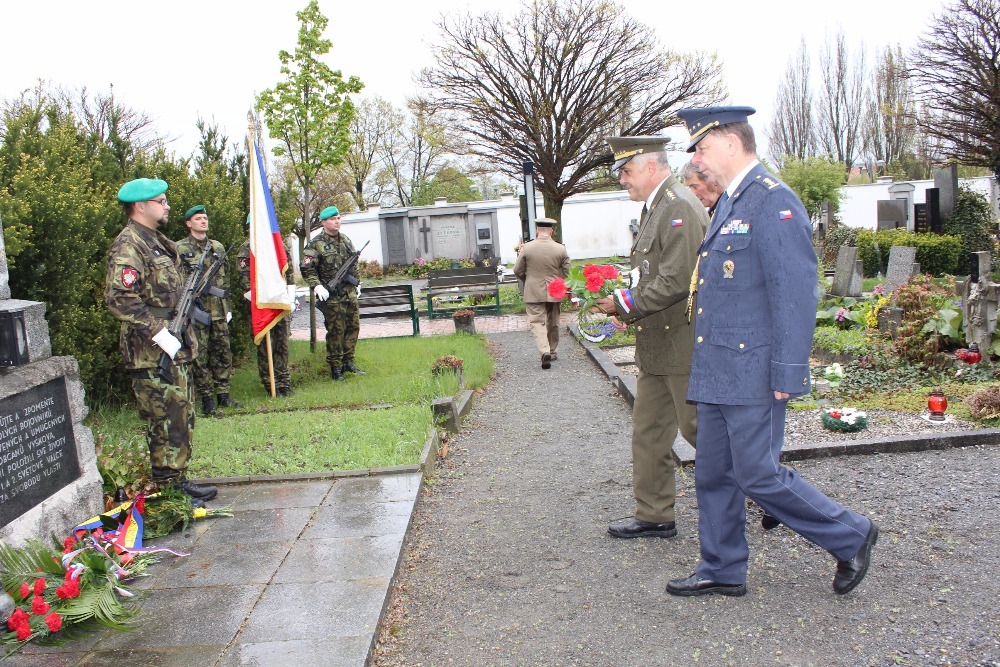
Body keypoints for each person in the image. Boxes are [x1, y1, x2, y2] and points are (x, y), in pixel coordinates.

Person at [667, 106, 877, 598]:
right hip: (719, 365)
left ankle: (850, 534)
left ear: (730, 142)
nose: (696, 157)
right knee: (714, 473)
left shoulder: (772, 201)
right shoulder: (732, 202)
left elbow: (795, 292)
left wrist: (788, 369)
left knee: (758, 474)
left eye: (701, 146)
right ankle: (721, 566)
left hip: (753, 368)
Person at [596, 136, 708, 540]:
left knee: (703, 432)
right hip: (657, 343)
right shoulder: (657, 208)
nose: (623, 180)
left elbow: (678, 279)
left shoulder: (678, 205)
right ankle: (654, 514)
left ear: (649, 166)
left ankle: (771, 495)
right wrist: (626, 301)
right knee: (649, 433)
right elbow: (650, 273)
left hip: (681, 342)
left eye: (626, 171)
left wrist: (624, 305)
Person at [103, 178, 217, 503]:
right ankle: (167, 490)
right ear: (141, 206)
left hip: (172, 345)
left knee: (181, 416)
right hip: (150, 353)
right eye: (161, 201)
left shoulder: (157, 242)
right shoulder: (129, 245)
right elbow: (119, 298)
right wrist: (158, 332)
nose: (167, 206)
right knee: (164, 420)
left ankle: (177, 480)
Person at [175, 205, 240, 416]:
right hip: (196, 312)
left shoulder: (218, 247)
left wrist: (228, 307)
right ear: (188, 223)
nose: (203, 221)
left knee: (222, 352)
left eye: (205, 218)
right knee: (199, 355)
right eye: (198, 219)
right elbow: (175, 282)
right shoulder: (180, 249)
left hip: (219, 309)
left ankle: (223, 394)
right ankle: (206, 399)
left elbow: (225, 280)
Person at [300, 206, 363, 381]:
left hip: (349, 293)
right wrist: (316, 286)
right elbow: (307, 268)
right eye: (333, 218)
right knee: (336, 330)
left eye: (339, 218)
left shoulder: (345, 240)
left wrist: (357, 283)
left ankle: (348, 362)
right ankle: (335, 367)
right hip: (332, 296)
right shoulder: (316, 243)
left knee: (353, 327)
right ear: (324, 222)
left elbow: (353, 264)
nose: (337, 221)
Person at [236, 225, 294, 397]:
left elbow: (287, 270)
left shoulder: (276, 245)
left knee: (282, 343)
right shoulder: (248, 248)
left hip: (278, 301)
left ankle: (283, 381)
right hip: (260, 305)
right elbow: (244, 278)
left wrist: (289, 293)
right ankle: (270, 382)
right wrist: (256, 298)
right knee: (264, 346)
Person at [514, 217, 570, 369]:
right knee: (553, 321)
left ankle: (544, 351)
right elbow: (567, 271)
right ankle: (552, 351)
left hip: (533, 290)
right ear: (551, 231)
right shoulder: (560, 249)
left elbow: (517, 270)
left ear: (537, 230)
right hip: (554, 290)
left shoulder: (527, 248)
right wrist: (559, 281)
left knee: (537, 322)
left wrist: (528, 279)